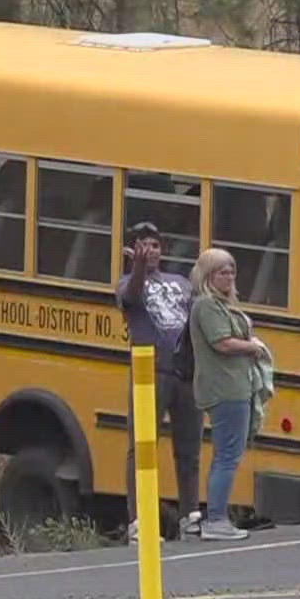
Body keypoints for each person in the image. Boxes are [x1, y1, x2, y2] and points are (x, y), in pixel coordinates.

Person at [117, 221, 201, 542]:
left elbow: (198, 316)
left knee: (189, 447)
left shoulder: (180, 283)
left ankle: (190, 514)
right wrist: (137, 268)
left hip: (184, 372)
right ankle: (139, 519)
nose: (150, 251)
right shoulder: (127, 282)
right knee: (142, 446)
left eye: (154, 245)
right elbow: (131, 297)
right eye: (142, 245)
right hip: (149, 373)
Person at [187, 248, 265, 541]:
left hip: (237, 384)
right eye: (222, 272)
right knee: (227, 456)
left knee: (228, 453)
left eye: (231, 270)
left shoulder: (224, 304)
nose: (229, 276)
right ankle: (216, 518)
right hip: (225, 387)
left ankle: (217, 516)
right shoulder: (207, 306)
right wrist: (252, 347)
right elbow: (221, 343)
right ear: (208, 276)